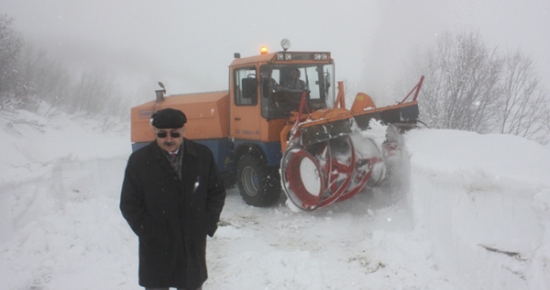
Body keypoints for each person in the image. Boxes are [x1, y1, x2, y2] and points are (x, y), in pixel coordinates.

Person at [120, 108, 226, 290]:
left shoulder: (202, 156)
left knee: (190, 284)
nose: (169, 139)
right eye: (162, 134)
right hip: (156, 246)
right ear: (154, 133)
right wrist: (149, 231)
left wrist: (206, 223)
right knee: (157, 285)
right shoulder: (139, 161)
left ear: (183, 131)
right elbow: (129, 203)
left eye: (174, 133)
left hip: (191, 243)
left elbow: (216, 192)